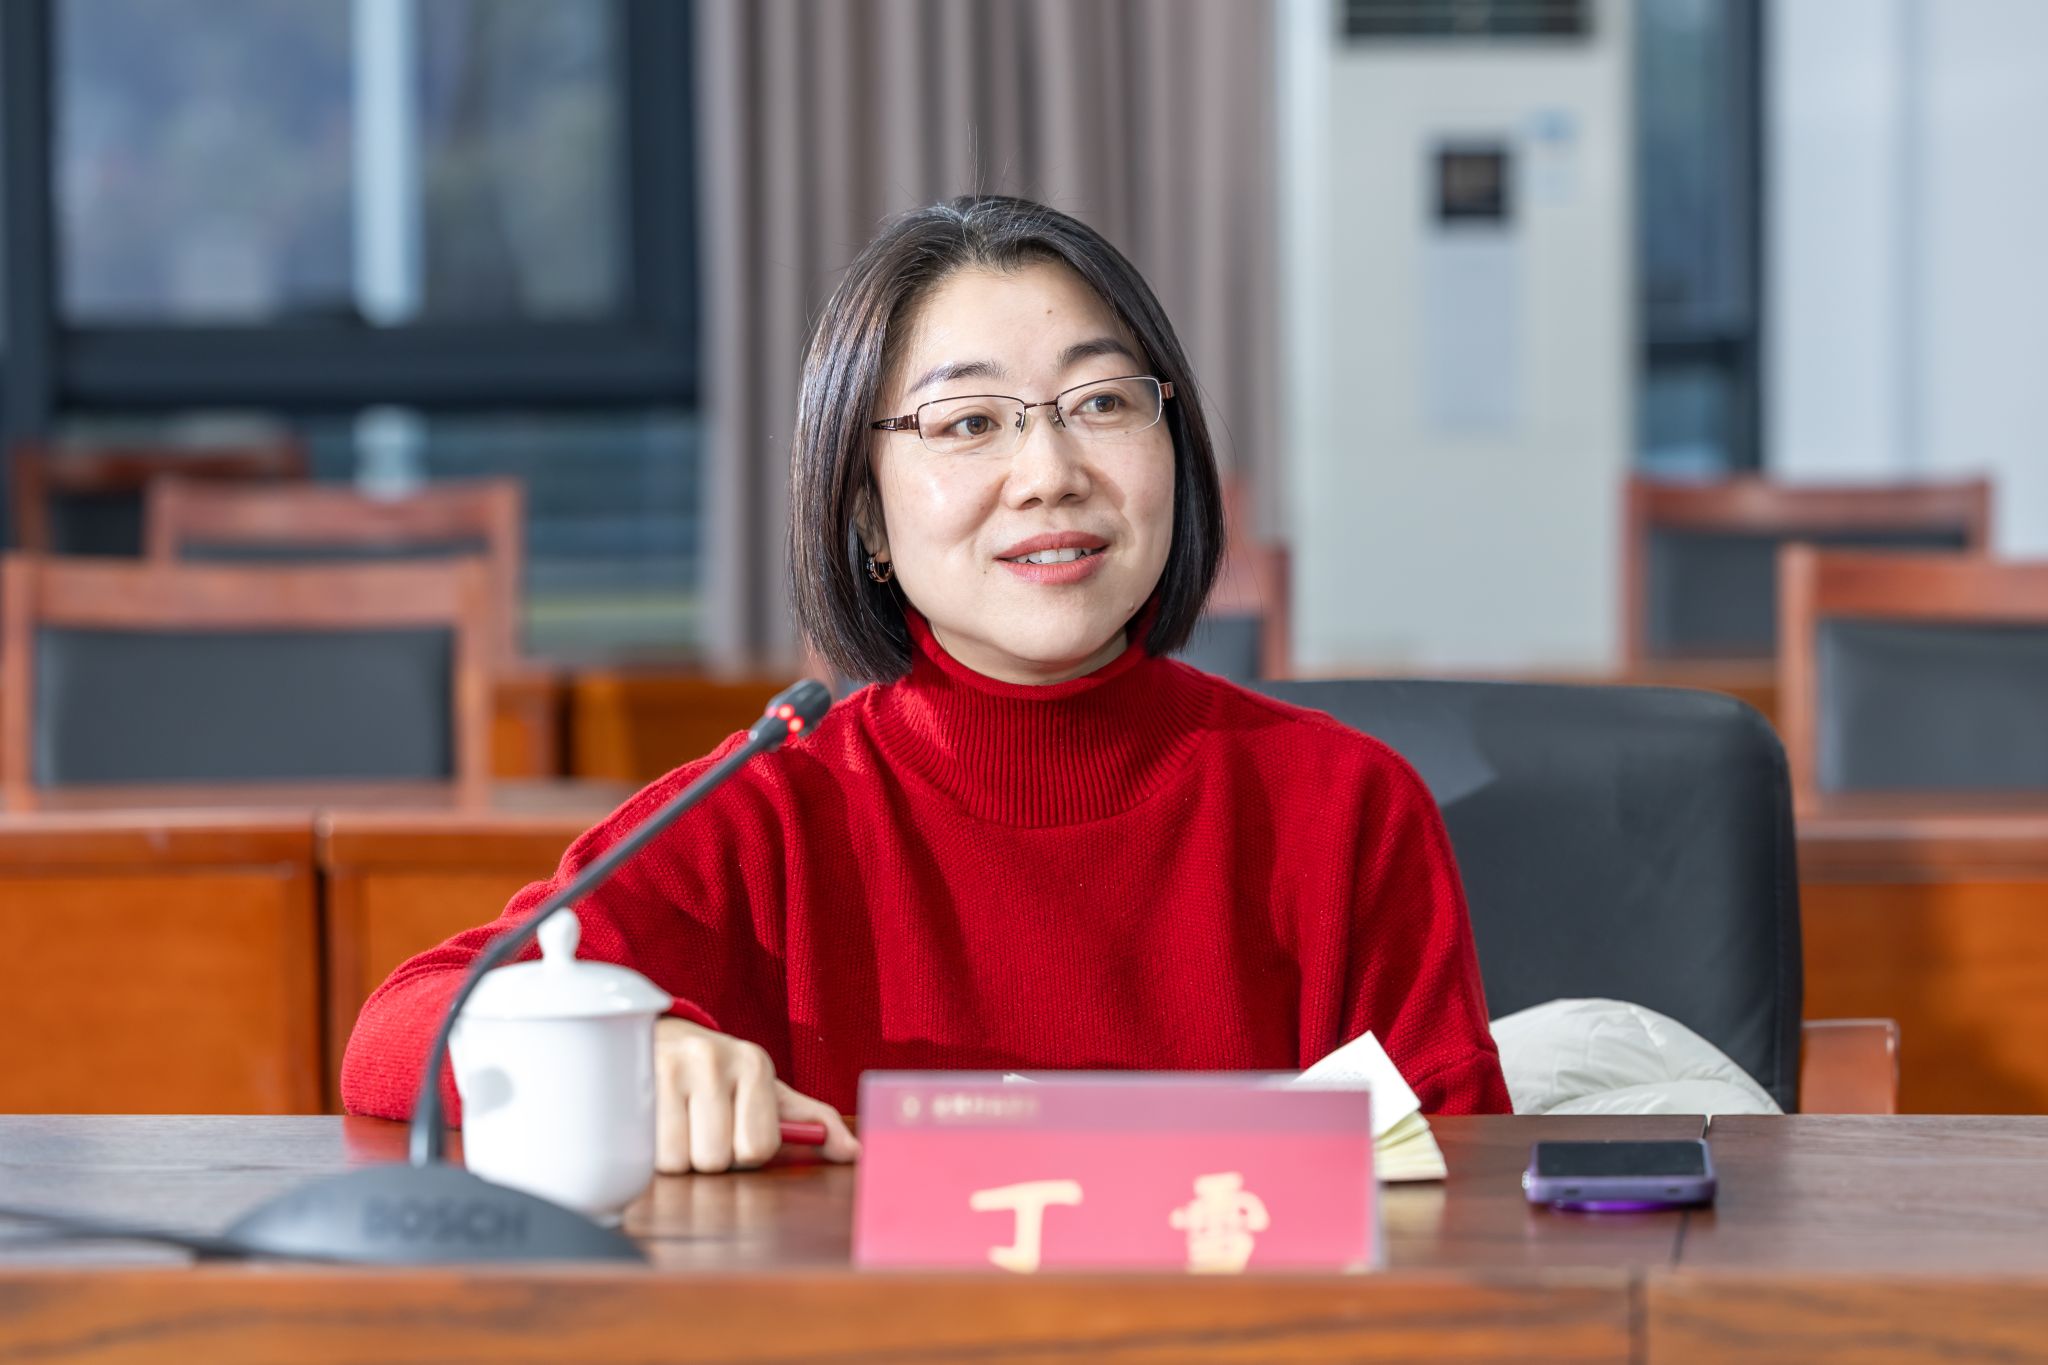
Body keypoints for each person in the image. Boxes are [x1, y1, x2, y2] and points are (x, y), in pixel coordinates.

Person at [342, 194, 1511, 1172]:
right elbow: (403, 1029)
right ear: (865, 513)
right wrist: (635, 1048)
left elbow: (1462, 1208)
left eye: (1101, 403)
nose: (1048, 472)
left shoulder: (1341, 806)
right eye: (967, 423)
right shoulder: (777, 809)